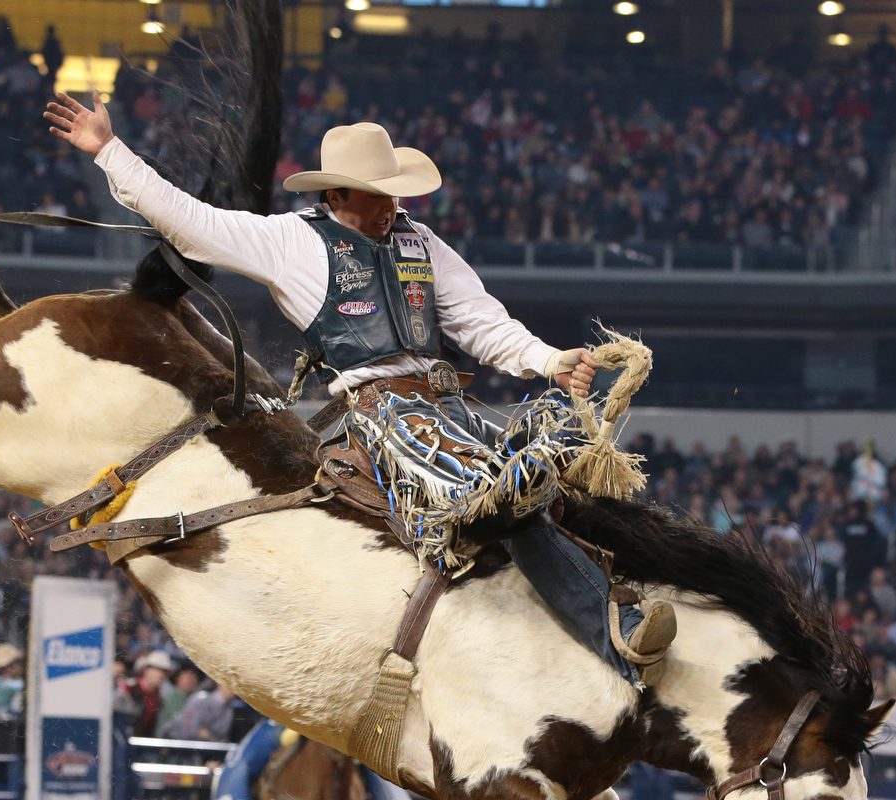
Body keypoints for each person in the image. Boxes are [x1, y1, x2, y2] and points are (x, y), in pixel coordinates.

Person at [44, 97, 675, 685]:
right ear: (339, 192)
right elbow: (191, 222)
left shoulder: (419, 241)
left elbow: (480, 322)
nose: (393, 207)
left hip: (448, 405)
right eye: (379, 195)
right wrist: (109, 151)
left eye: (395, 194)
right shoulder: (292, 242)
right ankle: (612, 633)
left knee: (564, 475)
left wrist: (549, 360)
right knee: (505, 493)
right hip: (382, 415)